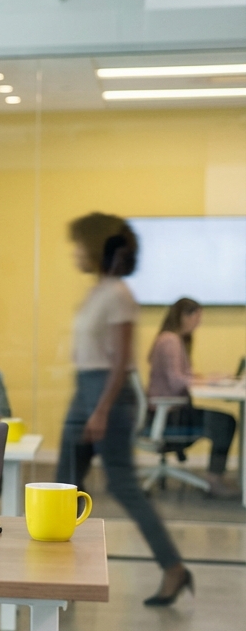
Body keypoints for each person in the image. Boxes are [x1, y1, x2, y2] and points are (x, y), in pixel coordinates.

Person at [59, 212, 191, 607]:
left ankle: (174, 567)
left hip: (107, 395)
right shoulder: (99, 291)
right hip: (86, 390)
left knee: (122, 484)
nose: (75, 252)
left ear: (98, 247)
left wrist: (100, 410)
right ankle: (60, 576)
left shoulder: (119, 294)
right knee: (64, 484)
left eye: (80, 244)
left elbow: (120, 361)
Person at [147, 297, 238, 497]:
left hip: (168, 413)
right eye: (196, 318)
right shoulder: (170, 340)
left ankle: (215, 478)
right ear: (184, 316)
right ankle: (213, 480)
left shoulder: (169, 338)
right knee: (226, 423)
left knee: (224, 421)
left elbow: (181, 376)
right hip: (171, 416)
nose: (198, 324)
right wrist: (207, 382)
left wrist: (206, 377)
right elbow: (177, 381)